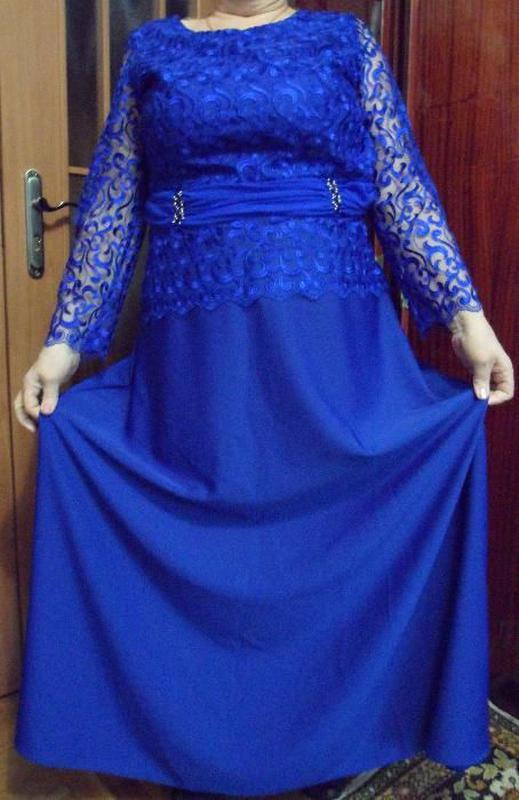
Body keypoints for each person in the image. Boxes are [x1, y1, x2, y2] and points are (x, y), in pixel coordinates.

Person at [12, 1, 514, 797]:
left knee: (324, 543)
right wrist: (64, 343)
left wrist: (466, 321)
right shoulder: (151, 51)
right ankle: (199, 750)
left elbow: (400, 188)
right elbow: (112, 203)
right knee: (204, 541)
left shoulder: (342, 42)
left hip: (331, 348)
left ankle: (327, 748)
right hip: (197, 366)